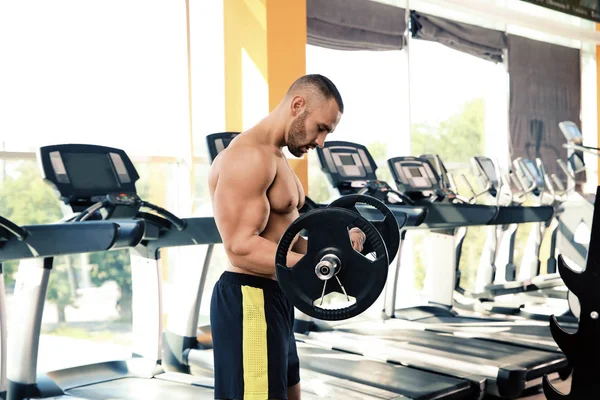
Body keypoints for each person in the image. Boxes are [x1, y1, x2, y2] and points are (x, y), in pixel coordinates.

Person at [208, 74, 366, 400]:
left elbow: (288, 240)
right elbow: (239, 247)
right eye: (321, 128)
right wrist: (313, 265)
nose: (321, 142)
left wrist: (336, 248)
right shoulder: (249, 157)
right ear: (297, 106)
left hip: (277, 296)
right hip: (249, 300)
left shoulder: (276, 156)